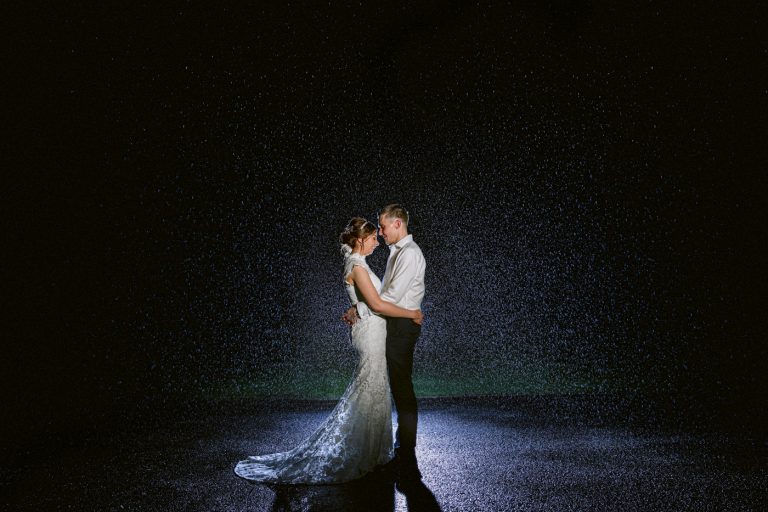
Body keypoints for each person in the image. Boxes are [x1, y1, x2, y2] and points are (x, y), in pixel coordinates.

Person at [234, 217, 422, 484]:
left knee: (376, 388)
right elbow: (378, 305)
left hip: (373, 330)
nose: (376, 241)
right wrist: (411, 313)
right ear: (359, 240)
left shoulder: (359, 265)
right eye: (371, 238)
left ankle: (375, 451)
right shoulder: (357, 267)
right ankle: (364, 453)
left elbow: (368, 302)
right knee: (370, 388)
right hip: (370, 334)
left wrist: (356, 308)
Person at [343, 204, 426, 486]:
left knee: (401, 388)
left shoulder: (410, 255)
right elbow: (379, 298)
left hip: (401, 327)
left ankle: (407, 453)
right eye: (377, 229)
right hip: (392, 323)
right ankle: (387, 448)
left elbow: (387, 297)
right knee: (387, 386)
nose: (380, 232)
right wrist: (360, 307)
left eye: (383, 227)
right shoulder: (394, 254)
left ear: (398, 225)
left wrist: (363, 307)